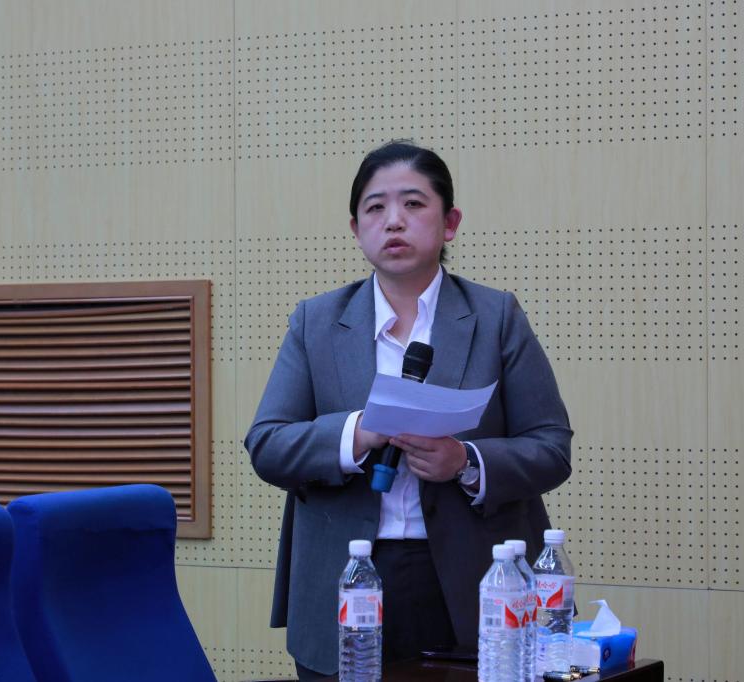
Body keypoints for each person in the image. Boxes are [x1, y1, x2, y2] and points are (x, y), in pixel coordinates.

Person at [244, 141, 573, 679]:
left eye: (414, 204)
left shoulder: (496, 317)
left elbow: (551, 447)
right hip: (348, 576)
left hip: (472, 582)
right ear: (356, 230)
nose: (393, 220)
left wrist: (464, 462)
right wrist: (359, 433)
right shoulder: (316, 322)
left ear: (450, 223)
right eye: (375, 208)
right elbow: (267, 444)